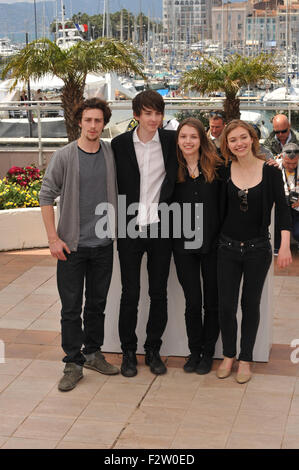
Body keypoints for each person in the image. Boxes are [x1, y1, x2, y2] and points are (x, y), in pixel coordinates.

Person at [39, 98, 119, 392]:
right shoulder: (65, 156)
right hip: (71, 247)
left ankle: (93, 353)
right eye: (88, 120)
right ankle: (72, 363)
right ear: (80, 122)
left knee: (96, 304)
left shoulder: (110, 154)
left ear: (104, 124)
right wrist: (53, 239)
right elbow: (45, 196)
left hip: (103, 245)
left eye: (98, 121)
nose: (93, 126)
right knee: (71, 308)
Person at [217, 120, 292, 384]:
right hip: (226, 248)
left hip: (257, 249)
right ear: (227, 145)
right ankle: (228, 355)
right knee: (226, 306)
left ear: (252, 139)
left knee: (250, 305)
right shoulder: (224, 170)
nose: (238, 144)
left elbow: (283, 210)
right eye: (232, 140)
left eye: (242, 138)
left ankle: (245, 359)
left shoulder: (271, 171)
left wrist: (284, 246)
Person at [111, 90, 178, 377]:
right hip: (129, 228)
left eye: (158, 113)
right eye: (148, 113)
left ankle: (153, 349)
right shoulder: (119, 144)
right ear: (136, 115)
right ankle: (128, 352)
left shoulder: (172, 141)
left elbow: (207, 153)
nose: (154, 119)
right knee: (130, 293)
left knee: (158, 292)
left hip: (161, 228)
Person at [172, 118, 223, 374]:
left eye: (193, 136)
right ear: (178, 140)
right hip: (183, 247)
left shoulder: (218, 167)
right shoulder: (173, 169)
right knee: (192, 302)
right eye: (183, 137)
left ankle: (208, 353)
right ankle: (194, 351)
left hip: (213, 245)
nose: (188, 141)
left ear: (201, 139)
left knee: (211, 303)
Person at [273, 142, 299, 254]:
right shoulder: (274, 166)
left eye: (295, 163)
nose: (291, 166)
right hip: (280, 204)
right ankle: (277, 247)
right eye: (288, 163)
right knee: (278, 223)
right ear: (282, 157)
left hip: (297, 206)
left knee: (297, 232)